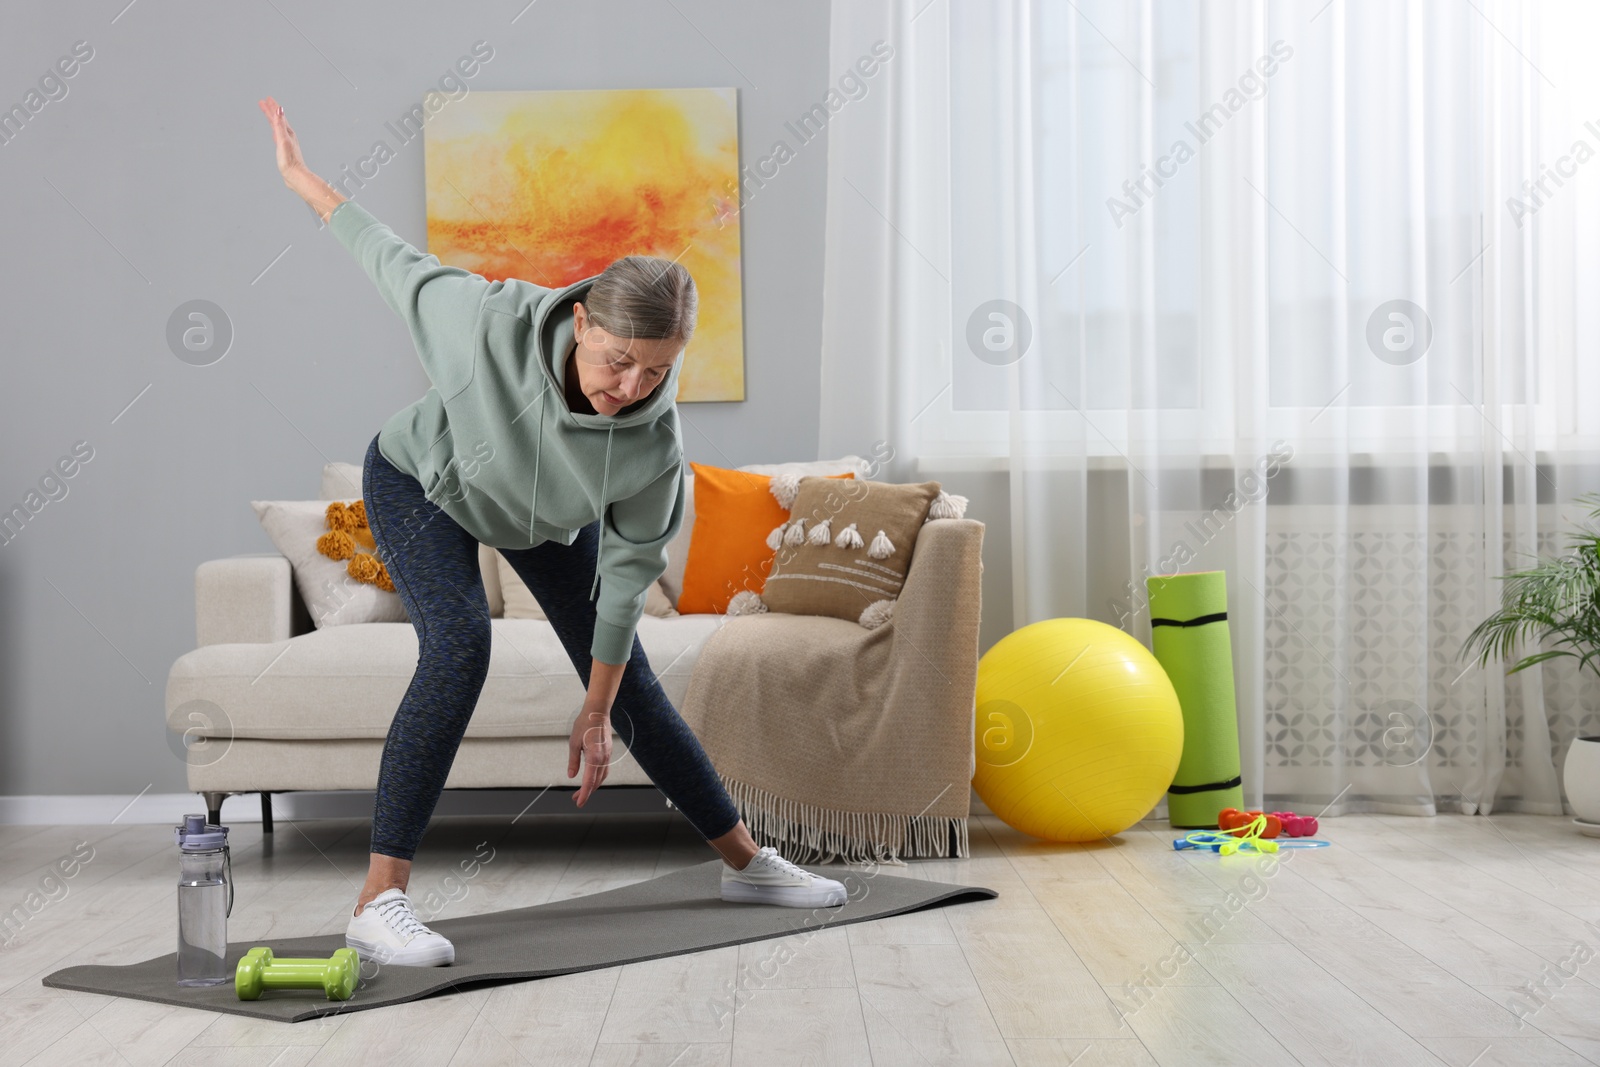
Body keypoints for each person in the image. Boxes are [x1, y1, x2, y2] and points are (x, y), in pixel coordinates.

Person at [257, 96, 847, 966]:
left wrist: (597, 708)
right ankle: (377, 903)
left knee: (632, 681)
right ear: (580, 322)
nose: (628, 386)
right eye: (615, 359)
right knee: (459, 646)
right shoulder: (481, 323)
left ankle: (748, 863)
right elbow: (387, 258)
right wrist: (302, 179)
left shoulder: (652, 445)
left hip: (532, 517)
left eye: (655, 372)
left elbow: (624, 585)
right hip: (423, 478)